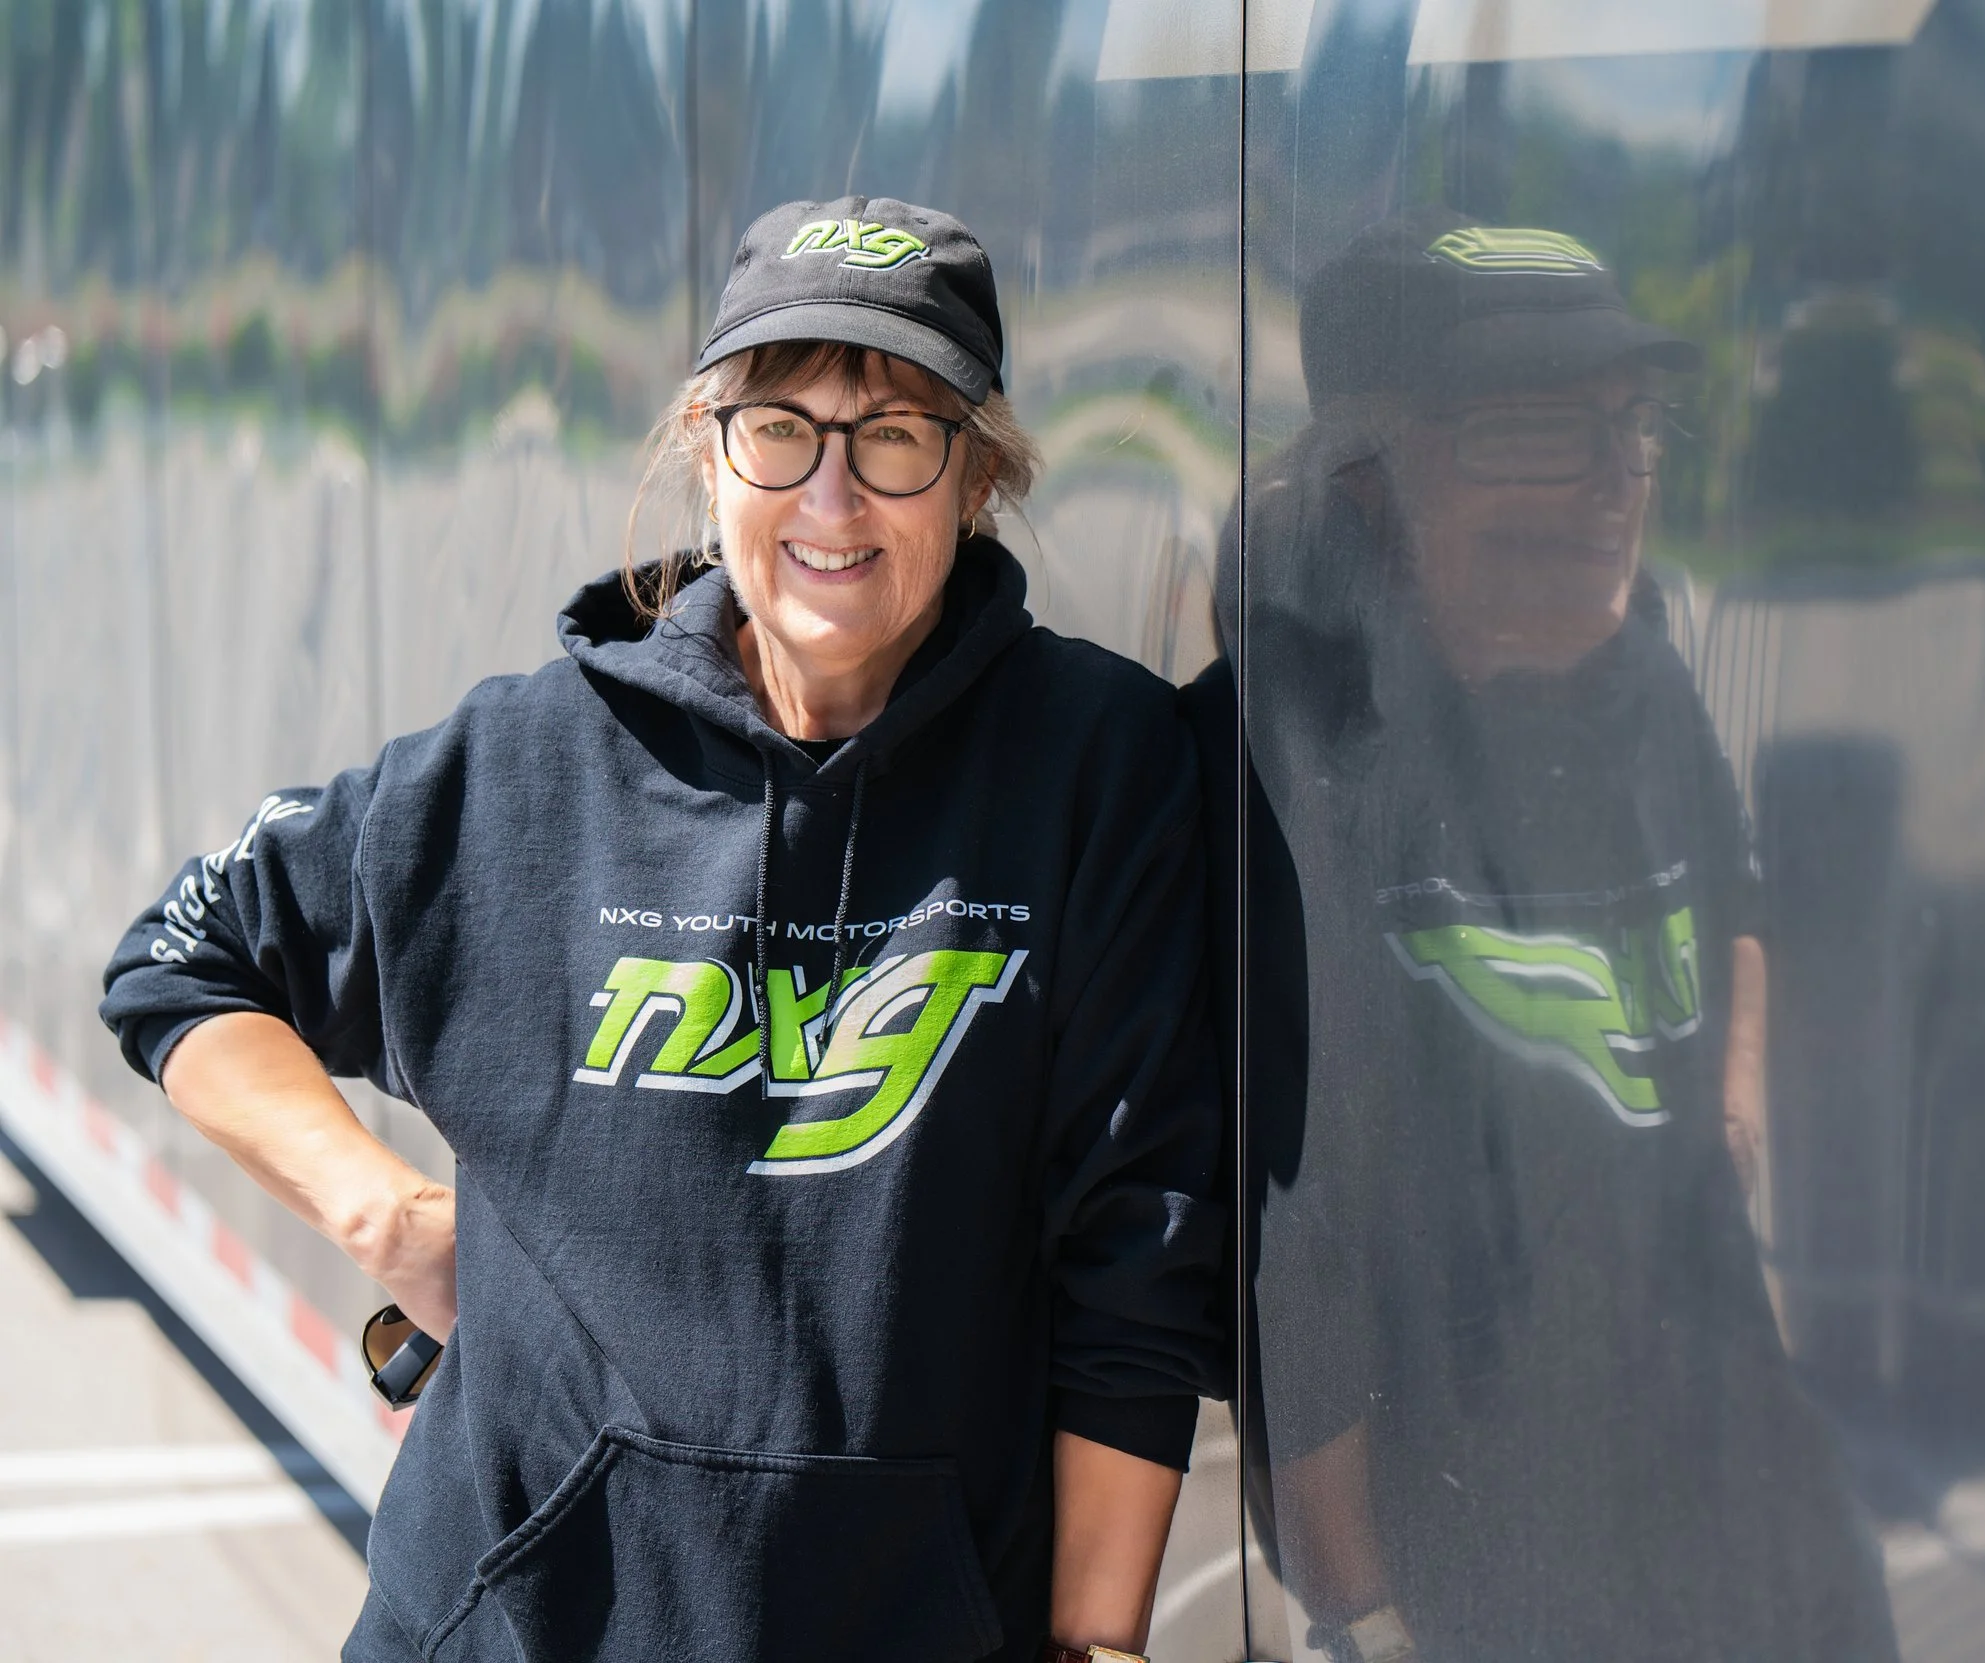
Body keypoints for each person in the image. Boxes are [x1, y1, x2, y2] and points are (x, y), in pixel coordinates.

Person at [100, 196, 1224, 1663]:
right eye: (780, 428)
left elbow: (1135, 1253)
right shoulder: (525, 767)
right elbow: (181, 959)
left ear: (978, 477)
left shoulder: (1095, 764)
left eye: (895, 434)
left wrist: (1097, 1638)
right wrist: (394, 1219)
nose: (832, 498)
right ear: (709, 448)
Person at [1185, 213, 1897, 1661]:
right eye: (1533, 434)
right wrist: (1368, 1613)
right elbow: (1291, 1256)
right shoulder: (1285, 757)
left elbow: (1738, 901)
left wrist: (1732, 1119)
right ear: (1377, 477)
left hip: (1731, 1467)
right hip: (1487, 1534)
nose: (1610, 486)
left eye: (1630, 432)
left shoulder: (1642, 667)